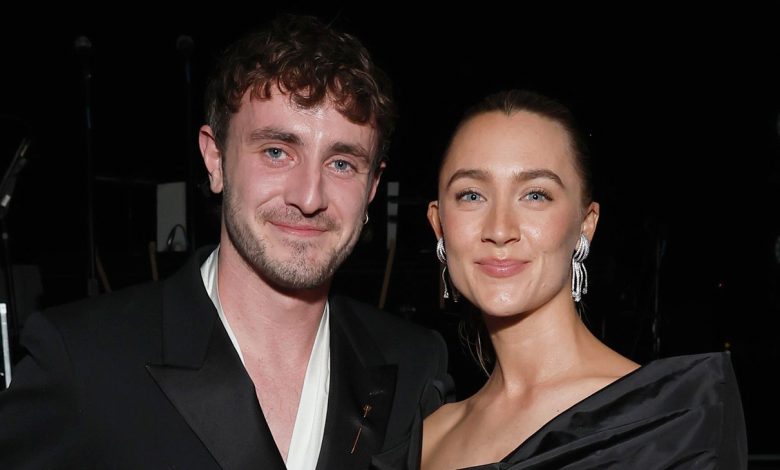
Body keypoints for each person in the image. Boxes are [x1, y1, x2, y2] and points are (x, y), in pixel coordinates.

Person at [0, 15, 452, 469]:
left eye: (341, 164)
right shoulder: (82, 361)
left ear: (372, 187)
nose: (309, 197)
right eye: (277, 152)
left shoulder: (415, 368)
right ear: (215, 159)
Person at [421, 89, 747, 469]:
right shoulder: (428, 439)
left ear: (585, 225)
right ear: (439, 224)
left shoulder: (672, 419)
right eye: (472, 195)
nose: (499, 229)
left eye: (536, 195)